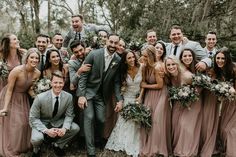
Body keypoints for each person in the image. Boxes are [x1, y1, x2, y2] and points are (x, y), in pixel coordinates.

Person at [77, 34, 123, 157]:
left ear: (118, 44)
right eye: (111, 42)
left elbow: (117, 82)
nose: (113, 45)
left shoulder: (117, 60)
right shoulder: (93, 54)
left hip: (101, 96)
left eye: (115, 43)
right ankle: (90, 151)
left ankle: (97, 139)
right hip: (88, 93)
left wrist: (120, 99)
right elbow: (83, 77)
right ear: (106, 41)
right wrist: (81, 95)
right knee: (89, 117)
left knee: (102, 119)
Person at [0, 48, 41, 156]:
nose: (34, 60)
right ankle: (11, 147)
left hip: (23, 98)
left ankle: (22, 146)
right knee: (15, 124)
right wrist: (5, 107)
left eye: (37, 58)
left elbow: (29, 89)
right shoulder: (17, 71)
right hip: (10, 96)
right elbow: (9, 90)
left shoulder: (37, 73)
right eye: (32, 57)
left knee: (25, 123)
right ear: (27, 59)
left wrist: (36, 97)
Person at [29, 71, 80, 157]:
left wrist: (64, 129)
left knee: (75, 128)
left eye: (60, 83)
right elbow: (33, 118)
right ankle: (36, 149)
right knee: (36, 139)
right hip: (42, 122)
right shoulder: (40, 97)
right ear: (51, 83)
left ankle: (57, 145)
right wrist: (46, 131)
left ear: (63, 83)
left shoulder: (68, 97)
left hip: (57, 121)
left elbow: (69, 115)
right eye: (55, 82)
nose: (58, 85)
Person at [105, 50, 142, 157]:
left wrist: (140, 97)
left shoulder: (141, 67)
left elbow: (143, 84)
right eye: (129, 58)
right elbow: (118, 87)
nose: (132, 60)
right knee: (125, 121)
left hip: (139, 98)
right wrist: (120, 100)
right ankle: (123, 142)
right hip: (127, 98)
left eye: (133, 57)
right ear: (125, 61)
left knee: (137, 122)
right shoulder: (122, 72)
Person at [165, 55, 202, 157]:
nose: (171, 67)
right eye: (168, 65)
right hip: (179, 102)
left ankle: (185, 151)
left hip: (192, 103)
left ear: (177, 65)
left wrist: (189, 95)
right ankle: (177, 147)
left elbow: (199, 87)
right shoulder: (170, 75)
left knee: (185, 126)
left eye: (173, 64)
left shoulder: (186, 75)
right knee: (175, 125)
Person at [140, 45, 171, 157]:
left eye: (145, 56)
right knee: (148, 118)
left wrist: (146, 86)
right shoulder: (144, 67)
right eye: (142, 55)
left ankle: (158, 147)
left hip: (161, 94)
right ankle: (148, 144)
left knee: (158, 119)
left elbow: (160, 85)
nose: (142, 58)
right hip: (149, 95)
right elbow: (143, 83)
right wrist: (140, 97)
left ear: (151, 56)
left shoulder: (158, 67)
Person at [212, 47, 236, 157]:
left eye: (223, 58)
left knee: (229, 129)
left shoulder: (234, 70)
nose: (220, 60)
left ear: (227, 59)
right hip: (222, 104)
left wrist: (232, 91)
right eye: (218, 58)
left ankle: (232, 153)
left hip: (233, 103)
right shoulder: (215, 71)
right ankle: (224, 148)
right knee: (221, 128)